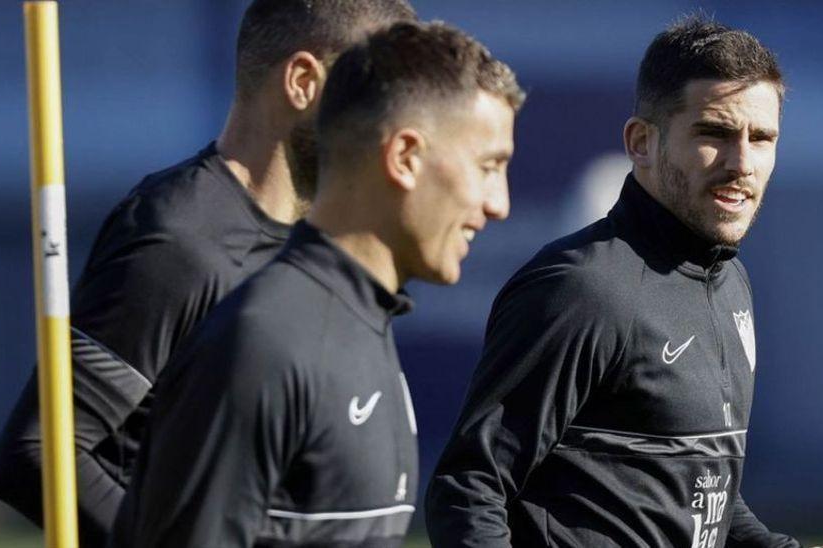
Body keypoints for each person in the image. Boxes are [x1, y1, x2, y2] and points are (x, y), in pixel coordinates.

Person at [0, 1, 416, 545]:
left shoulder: (330, 244)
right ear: (304, 81)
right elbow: (39, 453)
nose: (399, 125)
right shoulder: (183, 237)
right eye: (378, 94)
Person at [110, 20, 523, 547]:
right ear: (404, 158)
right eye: (488, 166)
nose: (499, 203)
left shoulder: (362, 321)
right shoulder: (266, 341)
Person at [427, 15, 823, 548]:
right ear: (641, 142)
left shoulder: (730, 282)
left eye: (762, 138)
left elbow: (702, 497)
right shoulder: (582, 289)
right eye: (714, 133)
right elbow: (469, 489)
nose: (742, 163)